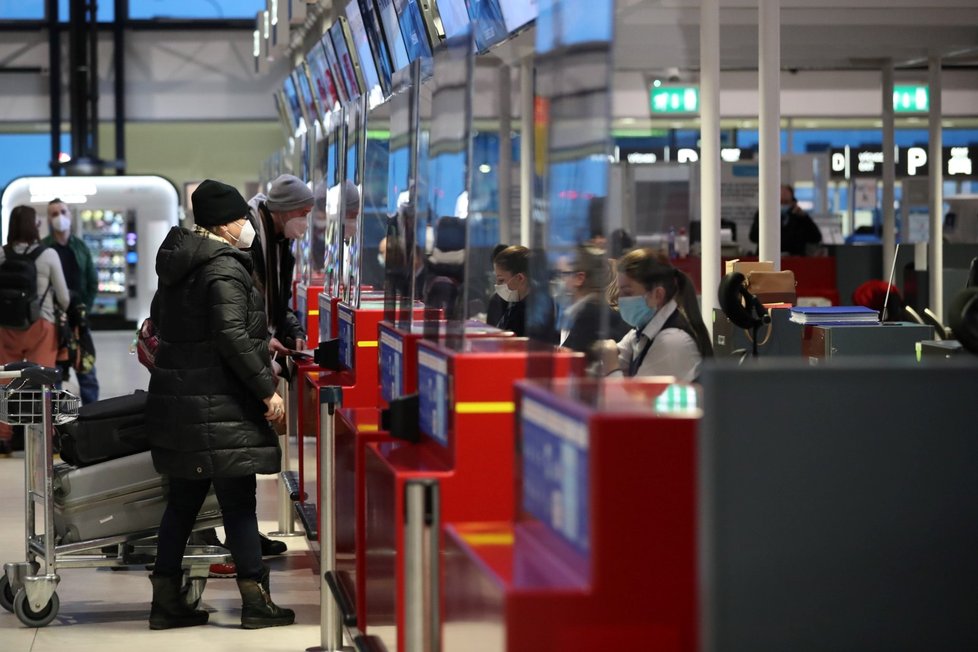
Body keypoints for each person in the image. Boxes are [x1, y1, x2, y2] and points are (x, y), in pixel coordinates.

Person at [146, 179, 294, 630]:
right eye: (241, 219)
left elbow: (190, 325)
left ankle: (166, 600)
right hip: (221, 401)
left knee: (182, 504)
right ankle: (255, 601)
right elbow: (230, 336)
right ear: (226, 225)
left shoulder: (179, 264)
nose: (247, 225)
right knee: (238, 502)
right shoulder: (223, 269)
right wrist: (266, 390)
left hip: (182, 402)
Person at [609, 248, 712, 381]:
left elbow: (633, 399)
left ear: (657, 295)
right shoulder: (643, 330)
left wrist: (611, 367)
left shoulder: (672, 341)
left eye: (627, 292)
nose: (619, 299)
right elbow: (615, 358)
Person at [246, 174, 314, 360]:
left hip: (261, 345)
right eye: (303, 213)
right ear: (284, 209)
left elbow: (279, 303)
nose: (305, 222)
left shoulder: (282, 242)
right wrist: (262, 339)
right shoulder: (248, 239)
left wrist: (296, 331)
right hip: (250, 347)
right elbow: (239, 306)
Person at [43, 198, 99, 404]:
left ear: (69, 215)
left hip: (79, 319)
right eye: (54, 213)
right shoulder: (44, 248)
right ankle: (55, 417)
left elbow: (92, 282)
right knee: (54, 370)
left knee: (87, 370)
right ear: (48, 218)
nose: (59, 217)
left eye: (62, 212)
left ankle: (92, 415)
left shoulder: (81, 247)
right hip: (52, 320)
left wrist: (85, 309)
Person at [0, 205, 71, 369]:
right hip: (41, 324)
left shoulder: (1, 254)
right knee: (40, 381)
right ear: (35, 226)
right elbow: (64, 298)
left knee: (6, 380)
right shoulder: (48, 254)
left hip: (5, 325)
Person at [558, 245, 630, 356]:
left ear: (579, 279)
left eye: (562, 274)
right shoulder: (578, 313)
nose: (558, 280)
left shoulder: (588, 315)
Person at [490, 245, 556, 342]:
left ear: (520, 278)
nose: (497, 285)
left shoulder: (535, 310)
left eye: (501, 280)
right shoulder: (515, 302)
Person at [749, 184, 823, 256]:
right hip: (768, 260)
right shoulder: (763, 215)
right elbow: (753, 237)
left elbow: (816, 238)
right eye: (780, 202)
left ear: (793, 202)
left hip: (795, 262)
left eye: (786, 202)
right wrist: (764, 217)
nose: (783, 205)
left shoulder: (800, 218)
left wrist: (805, 218)